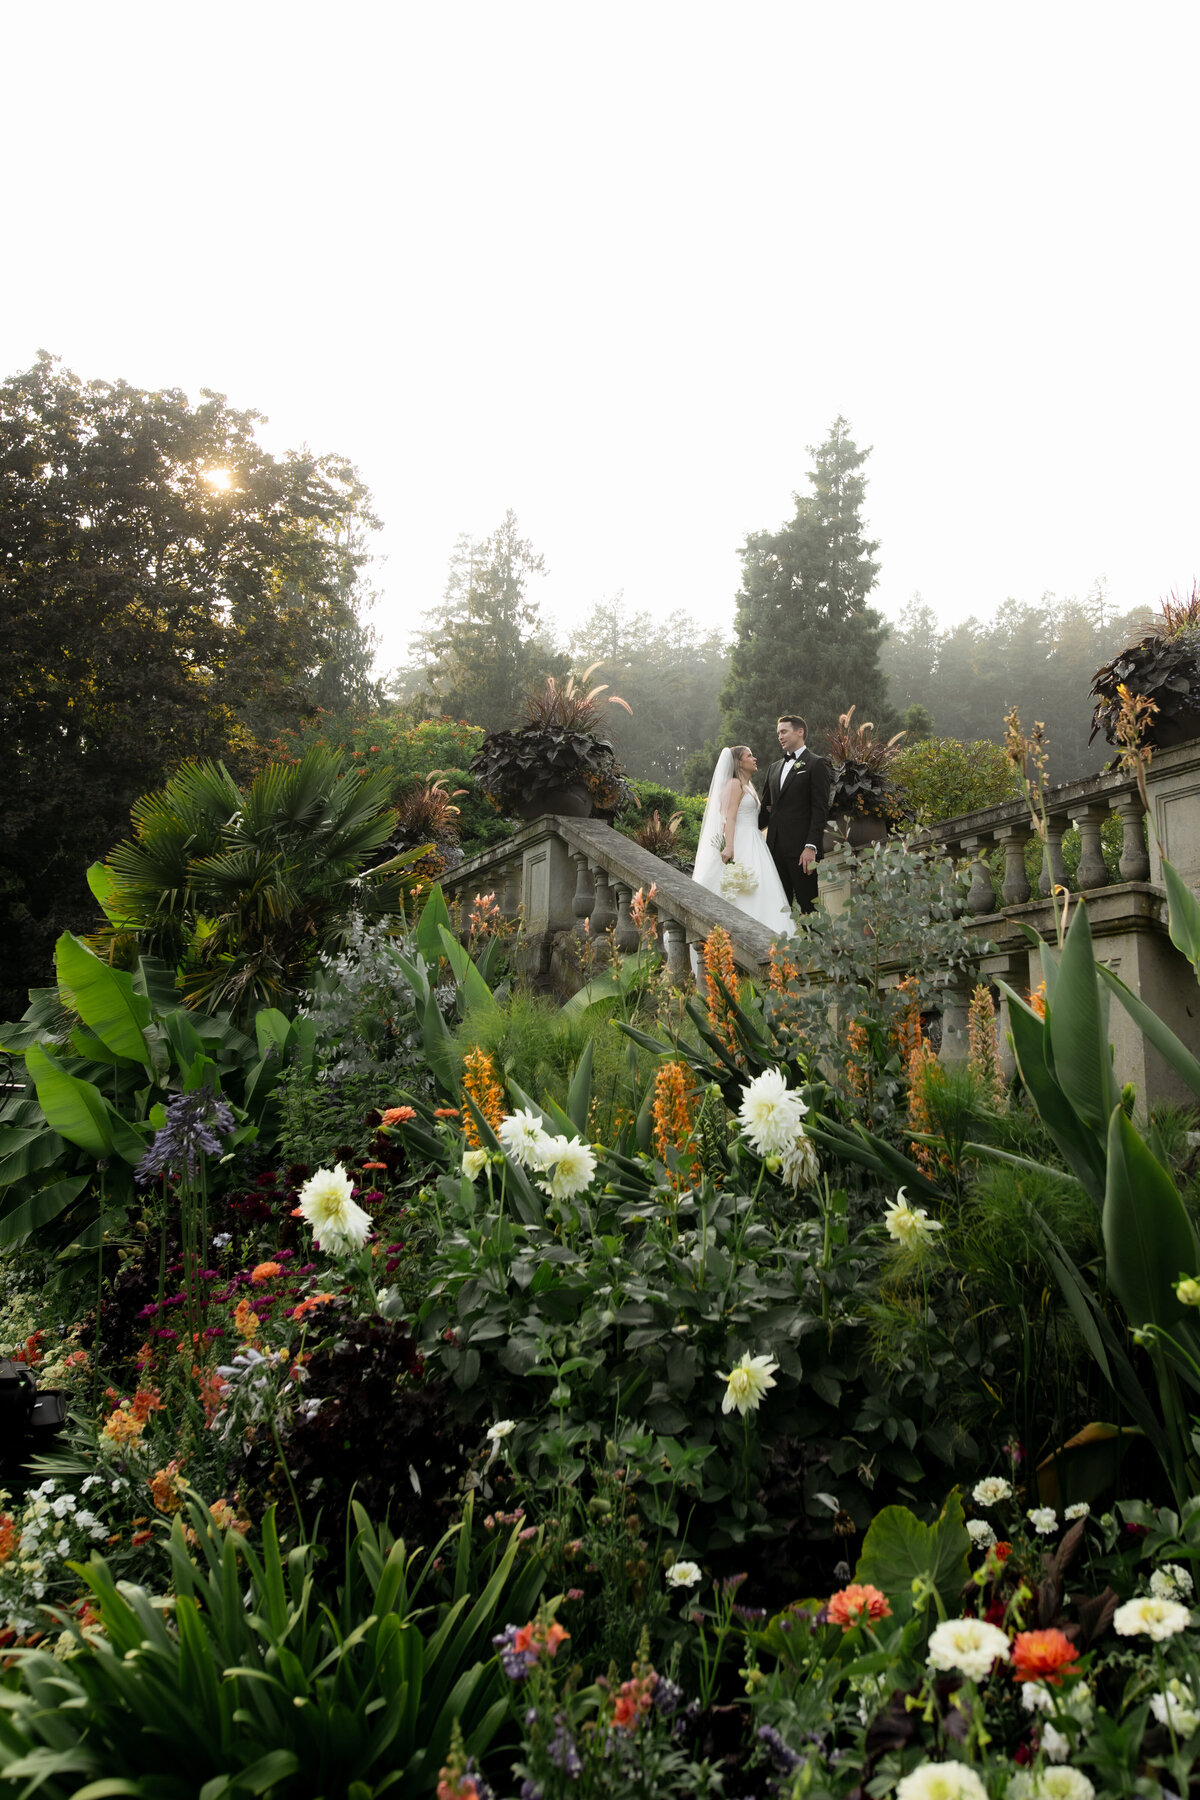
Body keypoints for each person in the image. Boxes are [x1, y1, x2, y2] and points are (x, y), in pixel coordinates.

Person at [692, 745, 794, 934]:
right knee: (740, 889)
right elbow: (729, 817)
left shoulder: (747, 786)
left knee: (760, 888)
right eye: (749, 755)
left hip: (755, 841)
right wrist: (729, 847)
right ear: (739, 762)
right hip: (741, 841)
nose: (754, 758)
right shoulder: (733, 784)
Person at [759, 714, 834, 915]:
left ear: (800, 732)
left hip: (802, 852)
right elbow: (765, 811)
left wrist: (811, 846)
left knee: (809, 907)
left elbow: (820, 809)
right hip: (774, 851)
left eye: (784, 732)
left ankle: (817, 945)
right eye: (778, 734)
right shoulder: (773, 768)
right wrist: (740, 830)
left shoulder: (817, 764)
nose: (780, 737)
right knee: (778, 910)